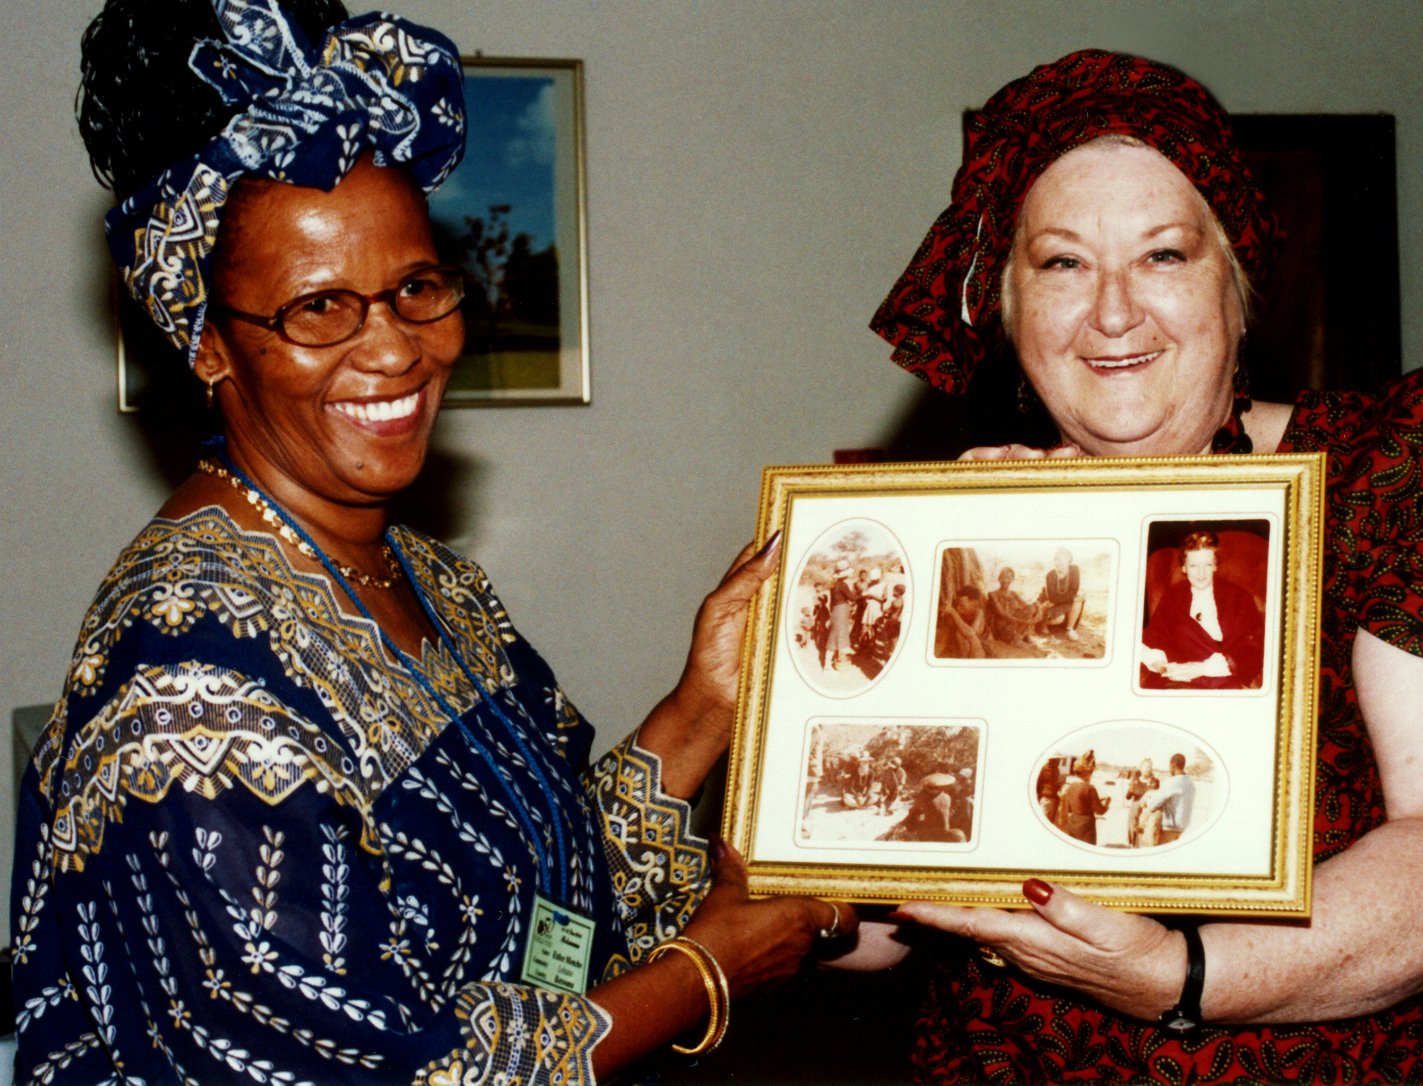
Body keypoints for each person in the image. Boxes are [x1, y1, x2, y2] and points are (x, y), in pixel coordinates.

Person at [9, 3, 857, 1083]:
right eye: (320, 308)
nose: (395, 349)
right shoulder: (186, 692)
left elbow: (536, 892)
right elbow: (370, 1068)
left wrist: (707, 701)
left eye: (415, 287)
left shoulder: (421, 570)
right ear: (211, 344)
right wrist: (706, 971)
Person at [863, 48, 1421, 1082]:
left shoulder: (1381, 468)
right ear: (1006, 307)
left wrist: (1177, 973)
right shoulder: (961, 526)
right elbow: (882, 921)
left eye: (1163, 254)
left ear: (1237, 282)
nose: (1112, 312)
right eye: (1062, 263)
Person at [1141, 530, 1266, 688]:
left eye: (1207, 565)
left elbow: (1253, 646)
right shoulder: (1172, 597)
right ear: (1184, 568)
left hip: (1220, 680)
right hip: (1177, 679)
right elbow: (1154, 638)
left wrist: (1202, 668)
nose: (1201, 573)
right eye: (1193, 565)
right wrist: (1161, 664)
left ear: (1215, 566)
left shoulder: (1239, 598)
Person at [1056, 753, 1111, 844]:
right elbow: (1100, 811)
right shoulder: (1090, 788)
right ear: (1089, 772)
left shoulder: (1070, 787)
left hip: (1072, 824)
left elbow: (1071, 807)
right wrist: (1107, 803)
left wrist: (1098, 799)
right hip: (1086, 828)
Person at [1144, 753, 1197, 846]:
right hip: (1185, 831)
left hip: (1169, 831)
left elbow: (1152, 805)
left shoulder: (1170, 782)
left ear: (1172, 766)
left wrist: (1147, 799)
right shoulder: (1191, 783)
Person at [985, 567, 1043, 647]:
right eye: (1003, 577)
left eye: (1009, 578)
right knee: (1028, 612)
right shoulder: (992, 595)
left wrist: (1038, 607)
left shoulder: (1013, 594)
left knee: (1031, 608)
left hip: (1013, 626)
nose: (1006, 580)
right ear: (999, 578)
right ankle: (1016, 639)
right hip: (1002, 630)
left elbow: (1026, 606)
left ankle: (1023, 637)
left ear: (1012, 580)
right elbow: (1003, 614)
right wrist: (1026, 622)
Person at [1037, 547, 1084, 640]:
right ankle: (1042, 623)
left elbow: (1074, 590)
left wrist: (1071, 598)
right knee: (1058, 619)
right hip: (1050, 605)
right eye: (1055, 559)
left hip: (1063, 602)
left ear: (1068, 560)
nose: (1057, 562)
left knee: (1079, 599)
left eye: (1060, 559)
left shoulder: (1074, 570)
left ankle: (1069, 629)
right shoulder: (1050, 575)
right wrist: (1070, 598)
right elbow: (1052, 598)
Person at [939, 583, 989, 658]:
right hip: (965, 646)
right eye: (957, 605)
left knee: (962, 636)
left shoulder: (979, 613)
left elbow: (971, 634)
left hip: (982, 643)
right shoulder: (960, 612)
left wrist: (953, 612)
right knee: (960, 635)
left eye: (962, 605)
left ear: (974, 603)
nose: (958, 608)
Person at [826, 560, 855, 668]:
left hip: (836, 611)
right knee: (835, 637)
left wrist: (831, 615)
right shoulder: (842, 585)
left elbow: (832, 602)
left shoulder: (834, 585)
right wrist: (864, 594)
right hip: (841, 611)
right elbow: (852, 598)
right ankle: (827, 666)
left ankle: (837, 660)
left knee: (838, 635)